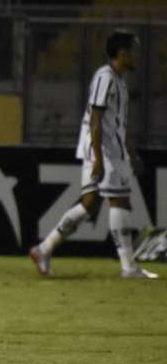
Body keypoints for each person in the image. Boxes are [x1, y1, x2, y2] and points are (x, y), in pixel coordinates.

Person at [30, 30, 157, 279]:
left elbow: (118, 124)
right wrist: (99, 158)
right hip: (103, 149)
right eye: (133, 51)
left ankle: (44, 249)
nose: (136, 55)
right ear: (122, 53)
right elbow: (95, 120)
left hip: (108, 148)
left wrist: (131, 153)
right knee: (119, 201)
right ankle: (129, 268)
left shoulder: (120, 81)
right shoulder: (105, 77)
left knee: (89, 204)